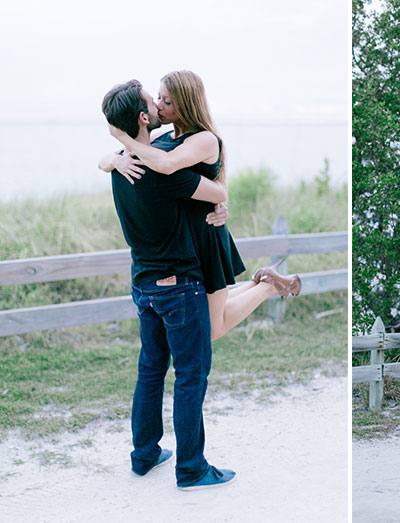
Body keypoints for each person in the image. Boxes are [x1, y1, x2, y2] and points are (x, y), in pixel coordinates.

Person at [101, 79, 248, 490]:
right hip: (179, 286)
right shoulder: (164, 170)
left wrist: (115, 149)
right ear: (145, 117)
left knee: (150, 371)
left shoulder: (122, 163)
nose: (160, 104)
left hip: (143, 285)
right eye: (155, 101)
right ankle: (191, 468)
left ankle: (144, 455)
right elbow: (215, 189)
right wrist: (221, 199)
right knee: (190, 376)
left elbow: (118, 158)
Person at [99, 70, 301, 341]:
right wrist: (114, 159)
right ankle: (265, 280)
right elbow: (124, 163)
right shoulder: (164, 140)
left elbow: (168, 166)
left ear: (186, 103)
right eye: (158, 98)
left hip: (205, 235)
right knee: (206, 313)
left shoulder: (204, 139)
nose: (159, 105)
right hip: (186, 238)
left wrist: (123, 139)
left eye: (167, 101)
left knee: (211, 329)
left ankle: (268, 288)